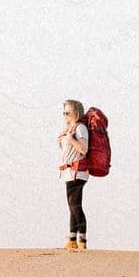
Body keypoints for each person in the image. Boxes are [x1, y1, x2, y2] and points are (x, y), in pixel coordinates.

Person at [57, 100, 89, 249]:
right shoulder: (68, 129)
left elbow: (83, 149)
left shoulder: (80, 128)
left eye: (68, 112)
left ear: (76, 112)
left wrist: (70, 139)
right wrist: (62, 139)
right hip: (68, 173)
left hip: (78, 172)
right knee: (72, 205)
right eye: (64, 112)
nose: (65, 115)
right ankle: (72, 239)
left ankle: (82, 241)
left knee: (75, 205)